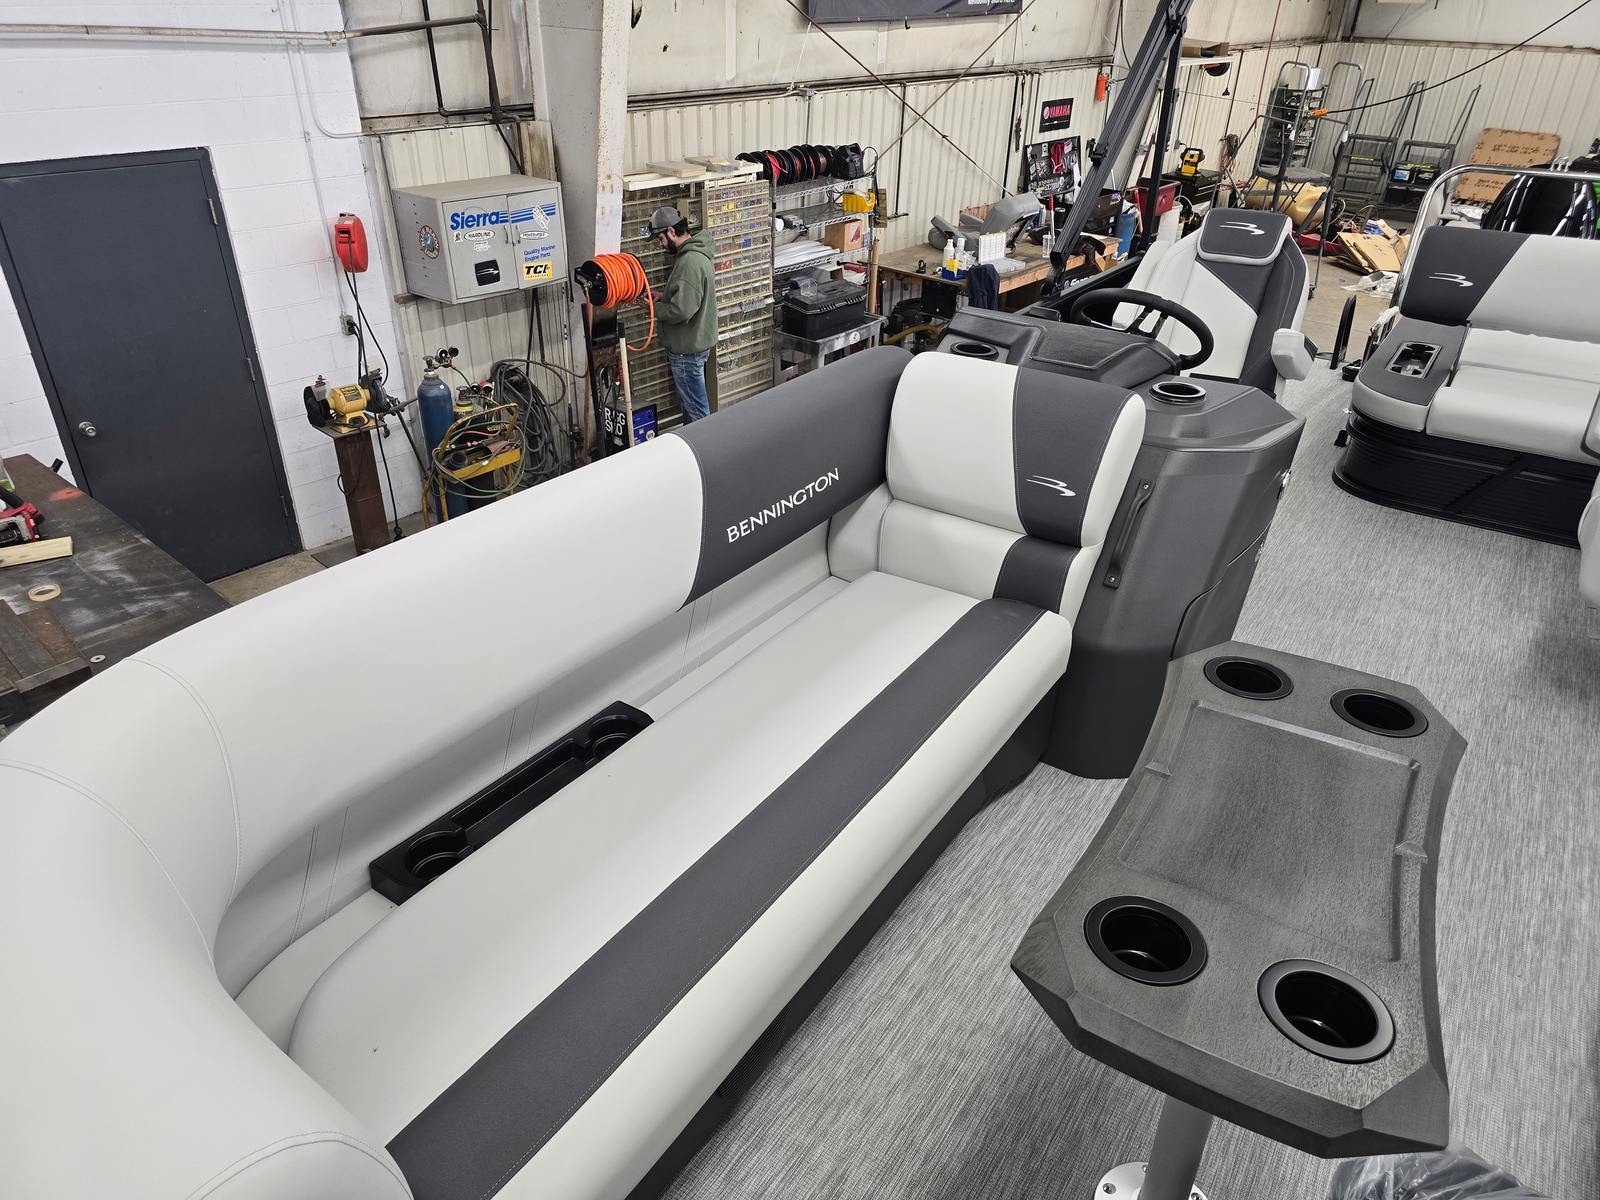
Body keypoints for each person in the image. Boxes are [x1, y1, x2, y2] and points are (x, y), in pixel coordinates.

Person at [647, 205, 717, 423]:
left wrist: (653, 308)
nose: (661, 245)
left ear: (671, 231)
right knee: (691, 409)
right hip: (694, 345)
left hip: (687, 352)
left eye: (660, 239)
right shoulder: (696, 255)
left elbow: (682, 310)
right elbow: (689, 296)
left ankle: (707, 446)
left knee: (698, 416)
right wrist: (664, 296)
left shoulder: (689, 262)